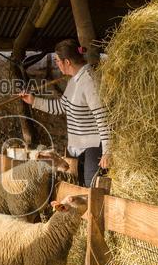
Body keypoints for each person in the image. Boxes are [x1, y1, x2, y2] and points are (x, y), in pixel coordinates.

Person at [19, 39, 111, 187]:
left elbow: (102, 116)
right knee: (83, 187)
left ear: (67, 62)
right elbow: (62, 106)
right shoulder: (74, 81)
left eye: (57, 60)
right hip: (82, 146)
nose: (57, 64)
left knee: (93, 188)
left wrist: (107, 150)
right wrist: (33, 101)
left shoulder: (89, 81)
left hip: (95, 145)